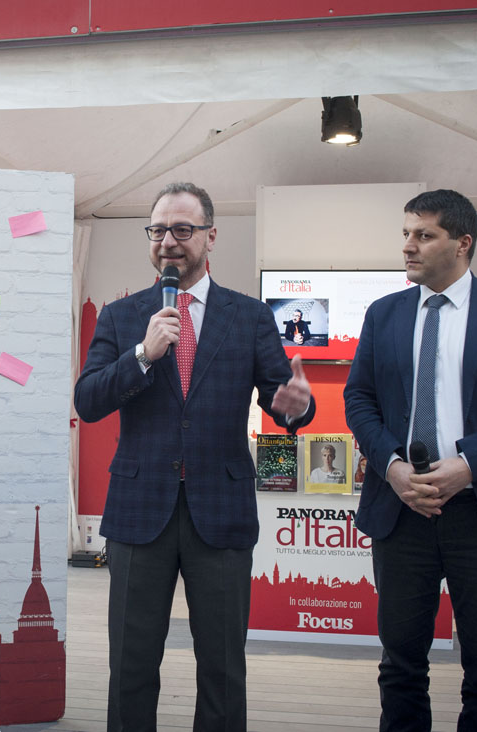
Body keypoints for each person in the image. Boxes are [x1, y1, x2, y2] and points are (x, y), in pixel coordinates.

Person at [74, 182, 316, 732]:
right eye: (157, 230)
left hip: (221, 511)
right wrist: (142, 354)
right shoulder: (121, 316)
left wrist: (295, 408)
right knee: (130, 667)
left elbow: (285, 400)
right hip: (140, 513)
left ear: (210, 236)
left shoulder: (249, 316)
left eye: (182, 230)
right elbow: (88, 402)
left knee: (224, 668)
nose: (168, 242)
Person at [344, 189, 477, 732]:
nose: (409, 247)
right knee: (399, 668)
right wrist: (392, 468)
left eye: (424, 235)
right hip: (402, 512)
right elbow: (359, 400)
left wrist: (469, 464)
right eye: (406, 235)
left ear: (462, 243)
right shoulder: (384, 313)